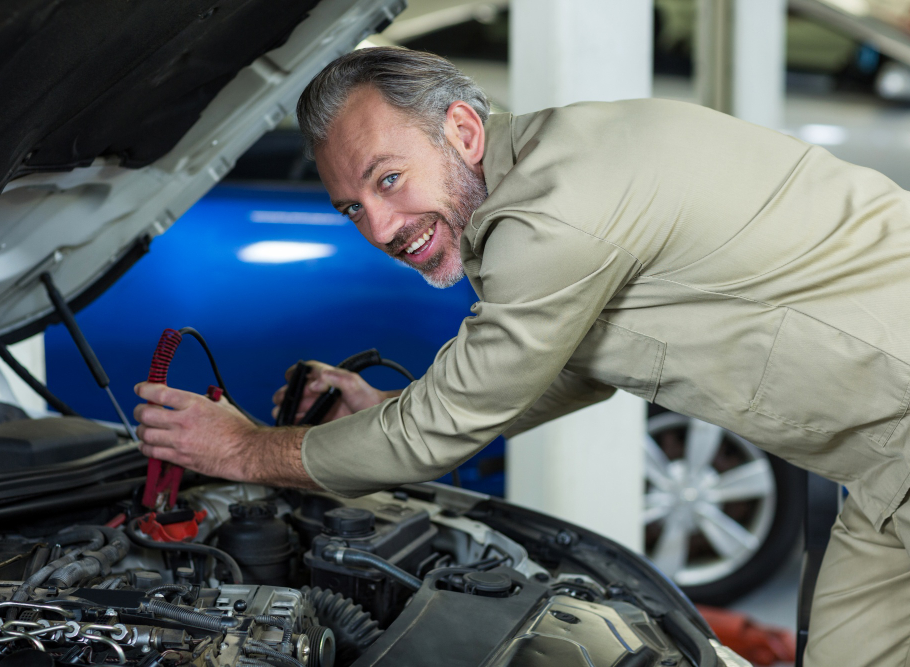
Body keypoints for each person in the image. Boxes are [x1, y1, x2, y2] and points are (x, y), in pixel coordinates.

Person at [134, 47, 910, 666]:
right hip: (884, 474)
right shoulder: (546, 176)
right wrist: (378, 414)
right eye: (352, 207)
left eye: (389, 179)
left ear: (464, 133)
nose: (378, 226)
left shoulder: (556, 207)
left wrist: (243, 449)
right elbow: (571, 362)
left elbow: (438, 430)